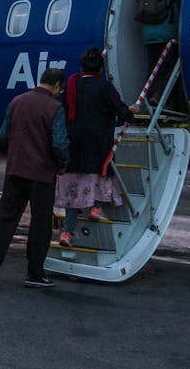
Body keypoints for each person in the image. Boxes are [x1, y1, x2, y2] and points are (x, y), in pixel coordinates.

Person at [0, 67, 70, 288]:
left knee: (5, 218)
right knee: (40, 223)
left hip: (15, 171)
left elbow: (3, 134)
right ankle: (35, 274)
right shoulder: (55, 107)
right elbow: (59, 143)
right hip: (42, 174)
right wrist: (63, 164)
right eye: (60, 89)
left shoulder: (16, 101)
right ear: (56, 85)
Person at [56, 48, 138, 244]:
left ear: (81, 66)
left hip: (74, 145)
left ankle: (67, 232)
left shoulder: (71, 86)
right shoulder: (104, 87)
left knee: (72, 189)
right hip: (98, 144)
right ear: (100, 69)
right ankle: (96, 207)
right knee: (101, 176)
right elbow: (122, 112)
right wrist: (132, 111)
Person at [134, 0, 186, 110]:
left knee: (153, 68)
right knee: (169, 68)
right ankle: (164, 100)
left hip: (149, 33)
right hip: (168, 31)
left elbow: (139, 0)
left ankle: (151, 99)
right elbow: (183, 0)